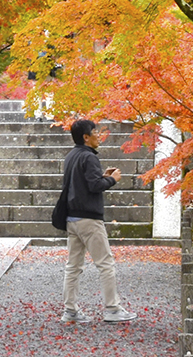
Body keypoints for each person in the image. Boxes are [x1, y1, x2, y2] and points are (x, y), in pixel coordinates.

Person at [59, 118, 136, 324]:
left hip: (72, 217)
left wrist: (102, 176)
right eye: (95, 132)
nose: (98, 136)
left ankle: (70, 310)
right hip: (89, 219)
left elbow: (84, 183)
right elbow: (94, 186)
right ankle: (112, 308)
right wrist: (113, 179)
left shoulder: (71, 156)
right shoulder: (89, 157)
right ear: (86, 137)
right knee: (105, 263)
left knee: (73, 266)